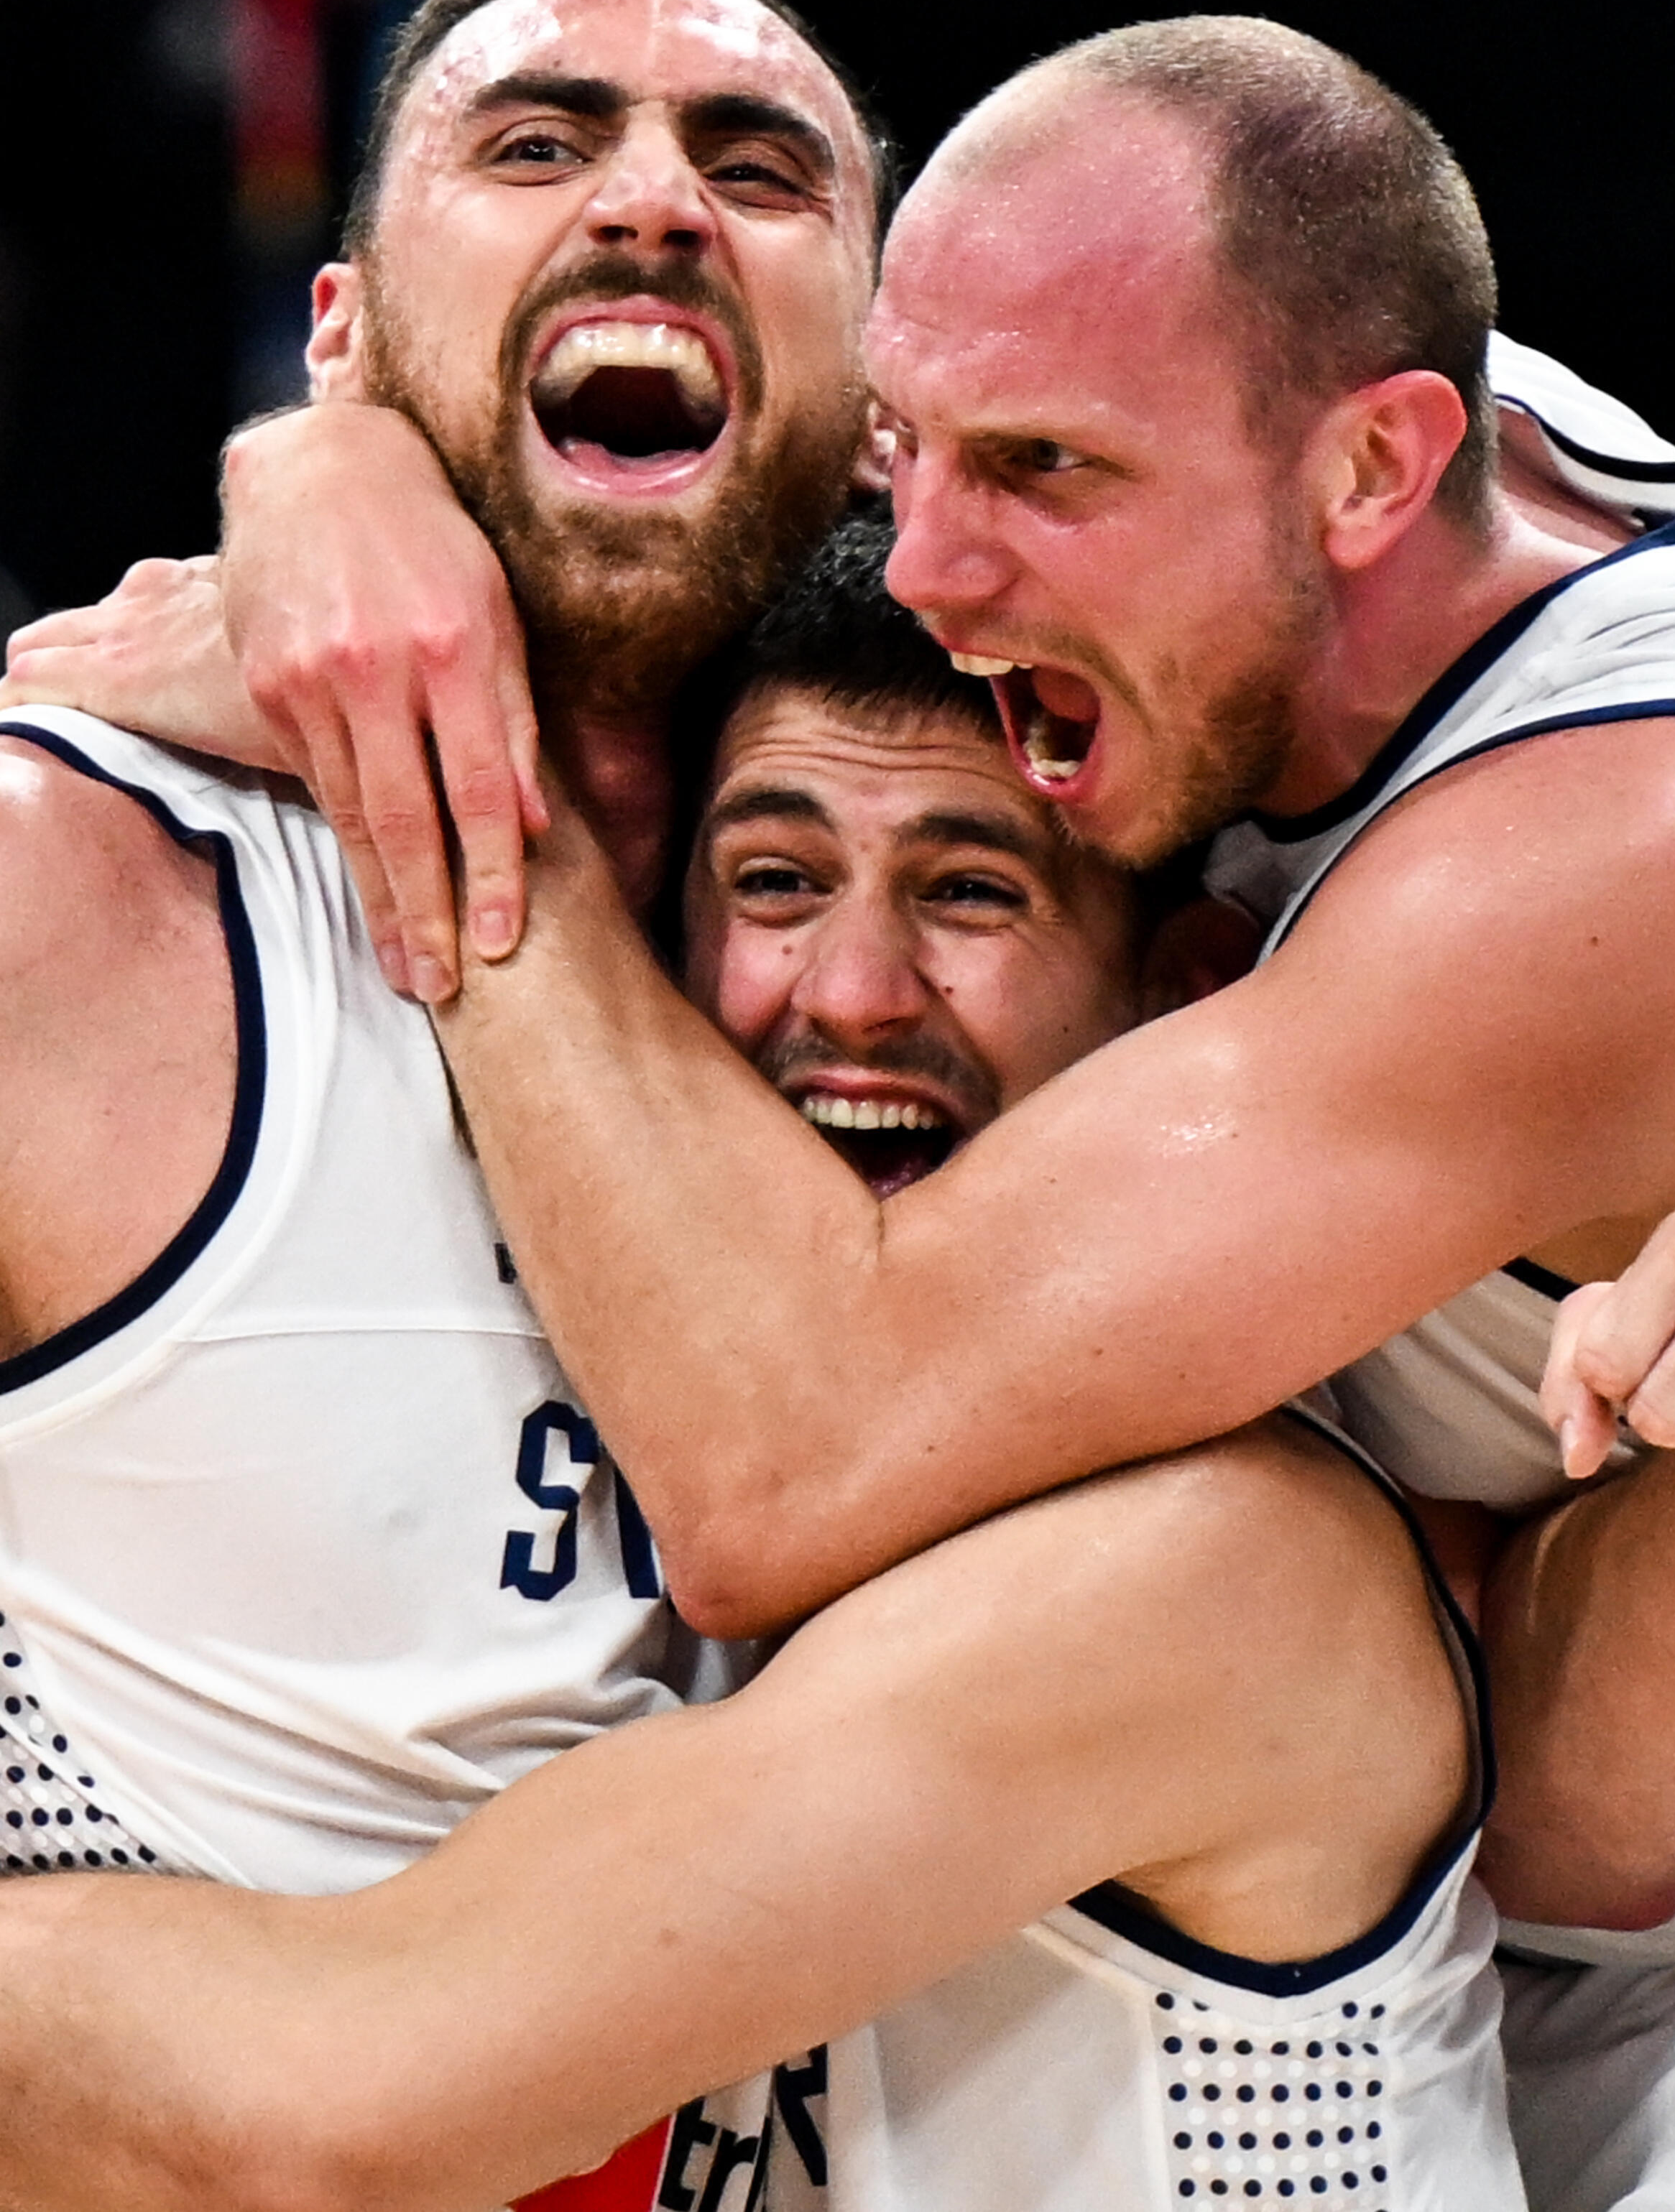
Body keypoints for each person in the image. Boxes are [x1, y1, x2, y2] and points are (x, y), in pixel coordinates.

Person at [75, 7, 1675, 2212]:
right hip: (1536, 1794)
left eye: (1040, 478)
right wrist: (333, 472)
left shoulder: (1626, 848)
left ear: (1373, 475)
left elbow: (787, 1456)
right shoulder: (1283, 410)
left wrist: (430, 725)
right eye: (909, 447)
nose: (933, 564)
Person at [0, 508, 1522, 2211]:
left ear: (1177, 993)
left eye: (970, 889)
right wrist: (328, 485)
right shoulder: (746, 1532)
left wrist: (432, 765)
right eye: (777, 882)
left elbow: (322, 2109)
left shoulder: (1214, 1564)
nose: (855, 991)